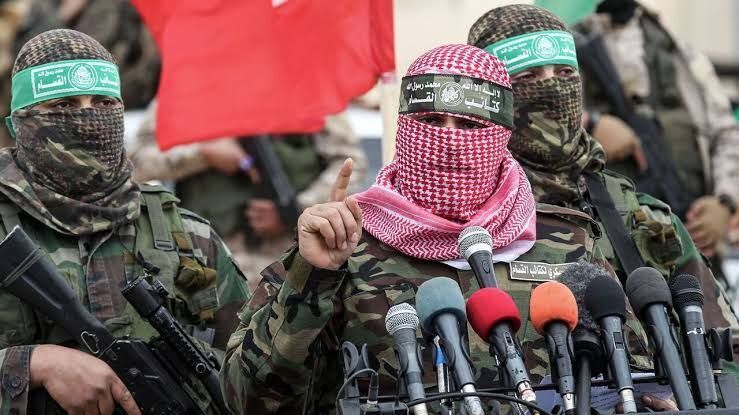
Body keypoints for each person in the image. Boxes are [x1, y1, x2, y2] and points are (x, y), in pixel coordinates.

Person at [220, 44, 652, 414]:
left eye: (468, 125)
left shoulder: (567, 245)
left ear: (501, 136)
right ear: (406, 127)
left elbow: (637, 386)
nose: (448, 142)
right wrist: (313, 277)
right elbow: (248, 400)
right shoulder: (343, 246)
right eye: (431, 121)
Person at [0, 29, 249, 414]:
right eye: (64, 105)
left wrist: (310, 274)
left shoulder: (189, 235)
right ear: (19, 125)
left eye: (103, 102)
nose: (88, 117)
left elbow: (254, 378)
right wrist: (30, 365)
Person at [468, 4, 738, 341]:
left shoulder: (640, 218)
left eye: (565, 73)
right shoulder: (461, 218)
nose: (553, 87)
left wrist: (726, 201)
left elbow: (724, 345)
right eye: (527, 77)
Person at [130, 100, 366, 291]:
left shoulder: (305, 85)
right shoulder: (190, 85)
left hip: (287, 262)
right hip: (206, 264)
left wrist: (297, 211)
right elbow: (136, 162)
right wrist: (203, 154)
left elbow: (351, 165)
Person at [573, 0, 739, 262]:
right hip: (615, 248)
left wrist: (725, 203)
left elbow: (726, 133)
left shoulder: (678, 49)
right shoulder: (570, 46)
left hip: (695, 241)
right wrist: (591, 123)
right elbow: (536, 118)